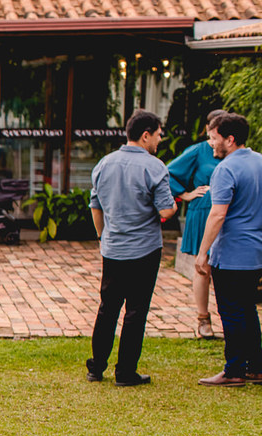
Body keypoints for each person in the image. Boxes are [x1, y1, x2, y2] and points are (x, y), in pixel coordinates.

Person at [86, 110, 176, 387]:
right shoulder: (155, 167)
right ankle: (125, 372)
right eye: (159, 134)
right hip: (144, 250)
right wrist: (175, 206)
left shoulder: (104, 163)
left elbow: (95, 206)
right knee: (136, 311)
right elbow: (164, 210)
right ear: (146, 134)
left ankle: (96, 367)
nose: (160, 140)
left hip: (112, 248)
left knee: (107, 308)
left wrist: (103, 237)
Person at [194, 111, 262, 387]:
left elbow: (217, 214)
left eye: (214, 138)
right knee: (248, 310)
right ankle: (256, 367)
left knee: (232, 311)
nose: (211, 144)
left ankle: (233, 369)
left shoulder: (226, 169)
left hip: (232, 253)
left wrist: (202, 252)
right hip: (256, 252)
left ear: (230, 139)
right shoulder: (259, 161)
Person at [167, 110, 224, 339]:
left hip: (228, 214)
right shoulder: (198, 151)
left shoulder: (232, 151)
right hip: (203, 212)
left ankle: (230, 318)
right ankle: (203, 319)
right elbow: (167, 172)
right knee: (204, 267)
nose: (213, 141)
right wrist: (185, 194)